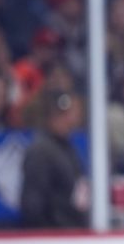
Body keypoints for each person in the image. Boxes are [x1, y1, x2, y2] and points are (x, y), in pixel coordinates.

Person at [20, 89, 88, 228]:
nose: (79, 116)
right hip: (53, 236)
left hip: (70, 233)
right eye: (75, 111)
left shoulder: (66, 147)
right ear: (62, 113)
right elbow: (33, 204)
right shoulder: (41, 151)